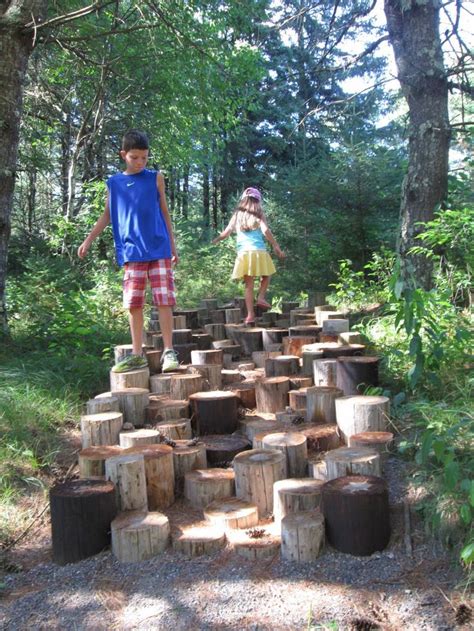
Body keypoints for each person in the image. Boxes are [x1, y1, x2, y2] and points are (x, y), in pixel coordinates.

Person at [78, 129, 179, 373]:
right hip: (132, 251)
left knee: (164, 299)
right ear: (124, 154)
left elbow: (164, 212)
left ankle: (169, 352)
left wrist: (173, 246)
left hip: (158, 248)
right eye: (135, 157)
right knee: (134, 302)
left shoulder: (156, 177)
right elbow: (107, 216)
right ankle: (137, 353)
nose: (140, 162)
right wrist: (89, 239)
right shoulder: (114, 183)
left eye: (144, 157)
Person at [212, 187, 285, 324]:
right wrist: (276, 246)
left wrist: (216, 240)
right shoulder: (259, 213)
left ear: (243, 200)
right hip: (259, 251)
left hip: (244, 253)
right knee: (267, 274)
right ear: (257, 201)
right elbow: (266, 230)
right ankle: (261, 297)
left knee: (248, 285)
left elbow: (227, 231)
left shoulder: (238, 214)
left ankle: (250, 315)